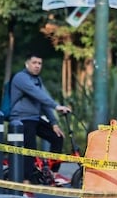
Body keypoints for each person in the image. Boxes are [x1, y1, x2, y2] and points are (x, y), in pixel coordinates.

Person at [8, 54, 71, 184]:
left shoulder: (38, 80)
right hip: (22, 118)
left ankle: (53, 174)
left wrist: (53, 123)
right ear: (27, 64)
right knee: (30, 148)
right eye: (34, 63)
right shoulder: (21, 78)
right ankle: (26, 181)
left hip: (35, 118)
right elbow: (38, 94)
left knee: (57, 137)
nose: (37, 66)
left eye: (40, 63)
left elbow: (43, 102)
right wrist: (57, 106)